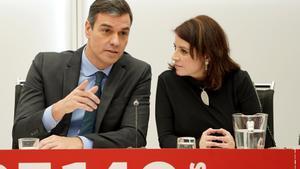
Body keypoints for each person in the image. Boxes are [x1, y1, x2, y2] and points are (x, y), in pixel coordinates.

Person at [12, 0, 151, 149]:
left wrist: (81, 142)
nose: (116, 41)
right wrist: (57, 110)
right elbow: (20, 134)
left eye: (123, 33)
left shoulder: (137, 72)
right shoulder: (45, 65)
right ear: (88, 28)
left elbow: (135, 135)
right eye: (106, 30)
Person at [155, 15, 275, 148]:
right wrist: (197, 144)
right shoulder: (167, 82)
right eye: (175, 48)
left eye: (183, 51)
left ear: (207, 55)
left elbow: (266, 143)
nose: (174, 57)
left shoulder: (238, 80)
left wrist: (236, 146)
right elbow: (165, 140)